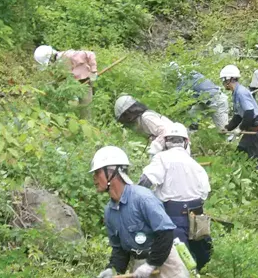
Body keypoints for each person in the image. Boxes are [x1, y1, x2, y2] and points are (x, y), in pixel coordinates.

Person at [90, 146, 190, 278]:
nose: (94, 178)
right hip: (140, 265)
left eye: (97, 173)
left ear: (112, 172)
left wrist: (151, 264)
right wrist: (112, 269)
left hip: (165, 262)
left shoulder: (143, 198)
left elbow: (165, 233)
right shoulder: (110, 211)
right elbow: (120, 250)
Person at [139, 127, 212, 272]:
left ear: (166, 142)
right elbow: (205, 192)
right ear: (186, 142)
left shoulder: (162, 159)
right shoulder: (194, 164)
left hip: (172, 216)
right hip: (197, 216)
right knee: (199, 256)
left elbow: (145, 181)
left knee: (180, 261)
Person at [219, 65, 258, 175]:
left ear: (229, 79)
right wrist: (228, 128)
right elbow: (238, 116)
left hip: (255, 125)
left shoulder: (241, 92)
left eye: (224, 80)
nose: (223, 83)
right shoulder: (235, 93)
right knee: (242, 150)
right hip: (249, 124)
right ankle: (240, 172)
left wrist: (240, 128)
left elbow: (249, 113)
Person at [114, 95, 191, 156]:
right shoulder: (142, 120)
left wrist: (154, 148)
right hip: (173, 148)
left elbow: (165, 131)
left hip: (177, 146)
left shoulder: (146, 117)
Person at [34, 45, 97, 119]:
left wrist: (93, 71)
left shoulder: (69, 55)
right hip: (72, 86)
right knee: (71, 109)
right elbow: (64, 77)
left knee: (85, 109)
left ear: (51, 57)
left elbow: (90, 54)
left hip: (85, 83)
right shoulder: (57, 65)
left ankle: (87, 125)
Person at [171, 63, 230, 130]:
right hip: (204, 101)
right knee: (192, 114)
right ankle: (193, 132)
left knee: (223, 130)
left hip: (217, 101)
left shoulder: (185, 79)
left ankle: (231, 139)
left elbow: (176, 99)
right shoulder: (192, 73)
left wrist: (170, 112)